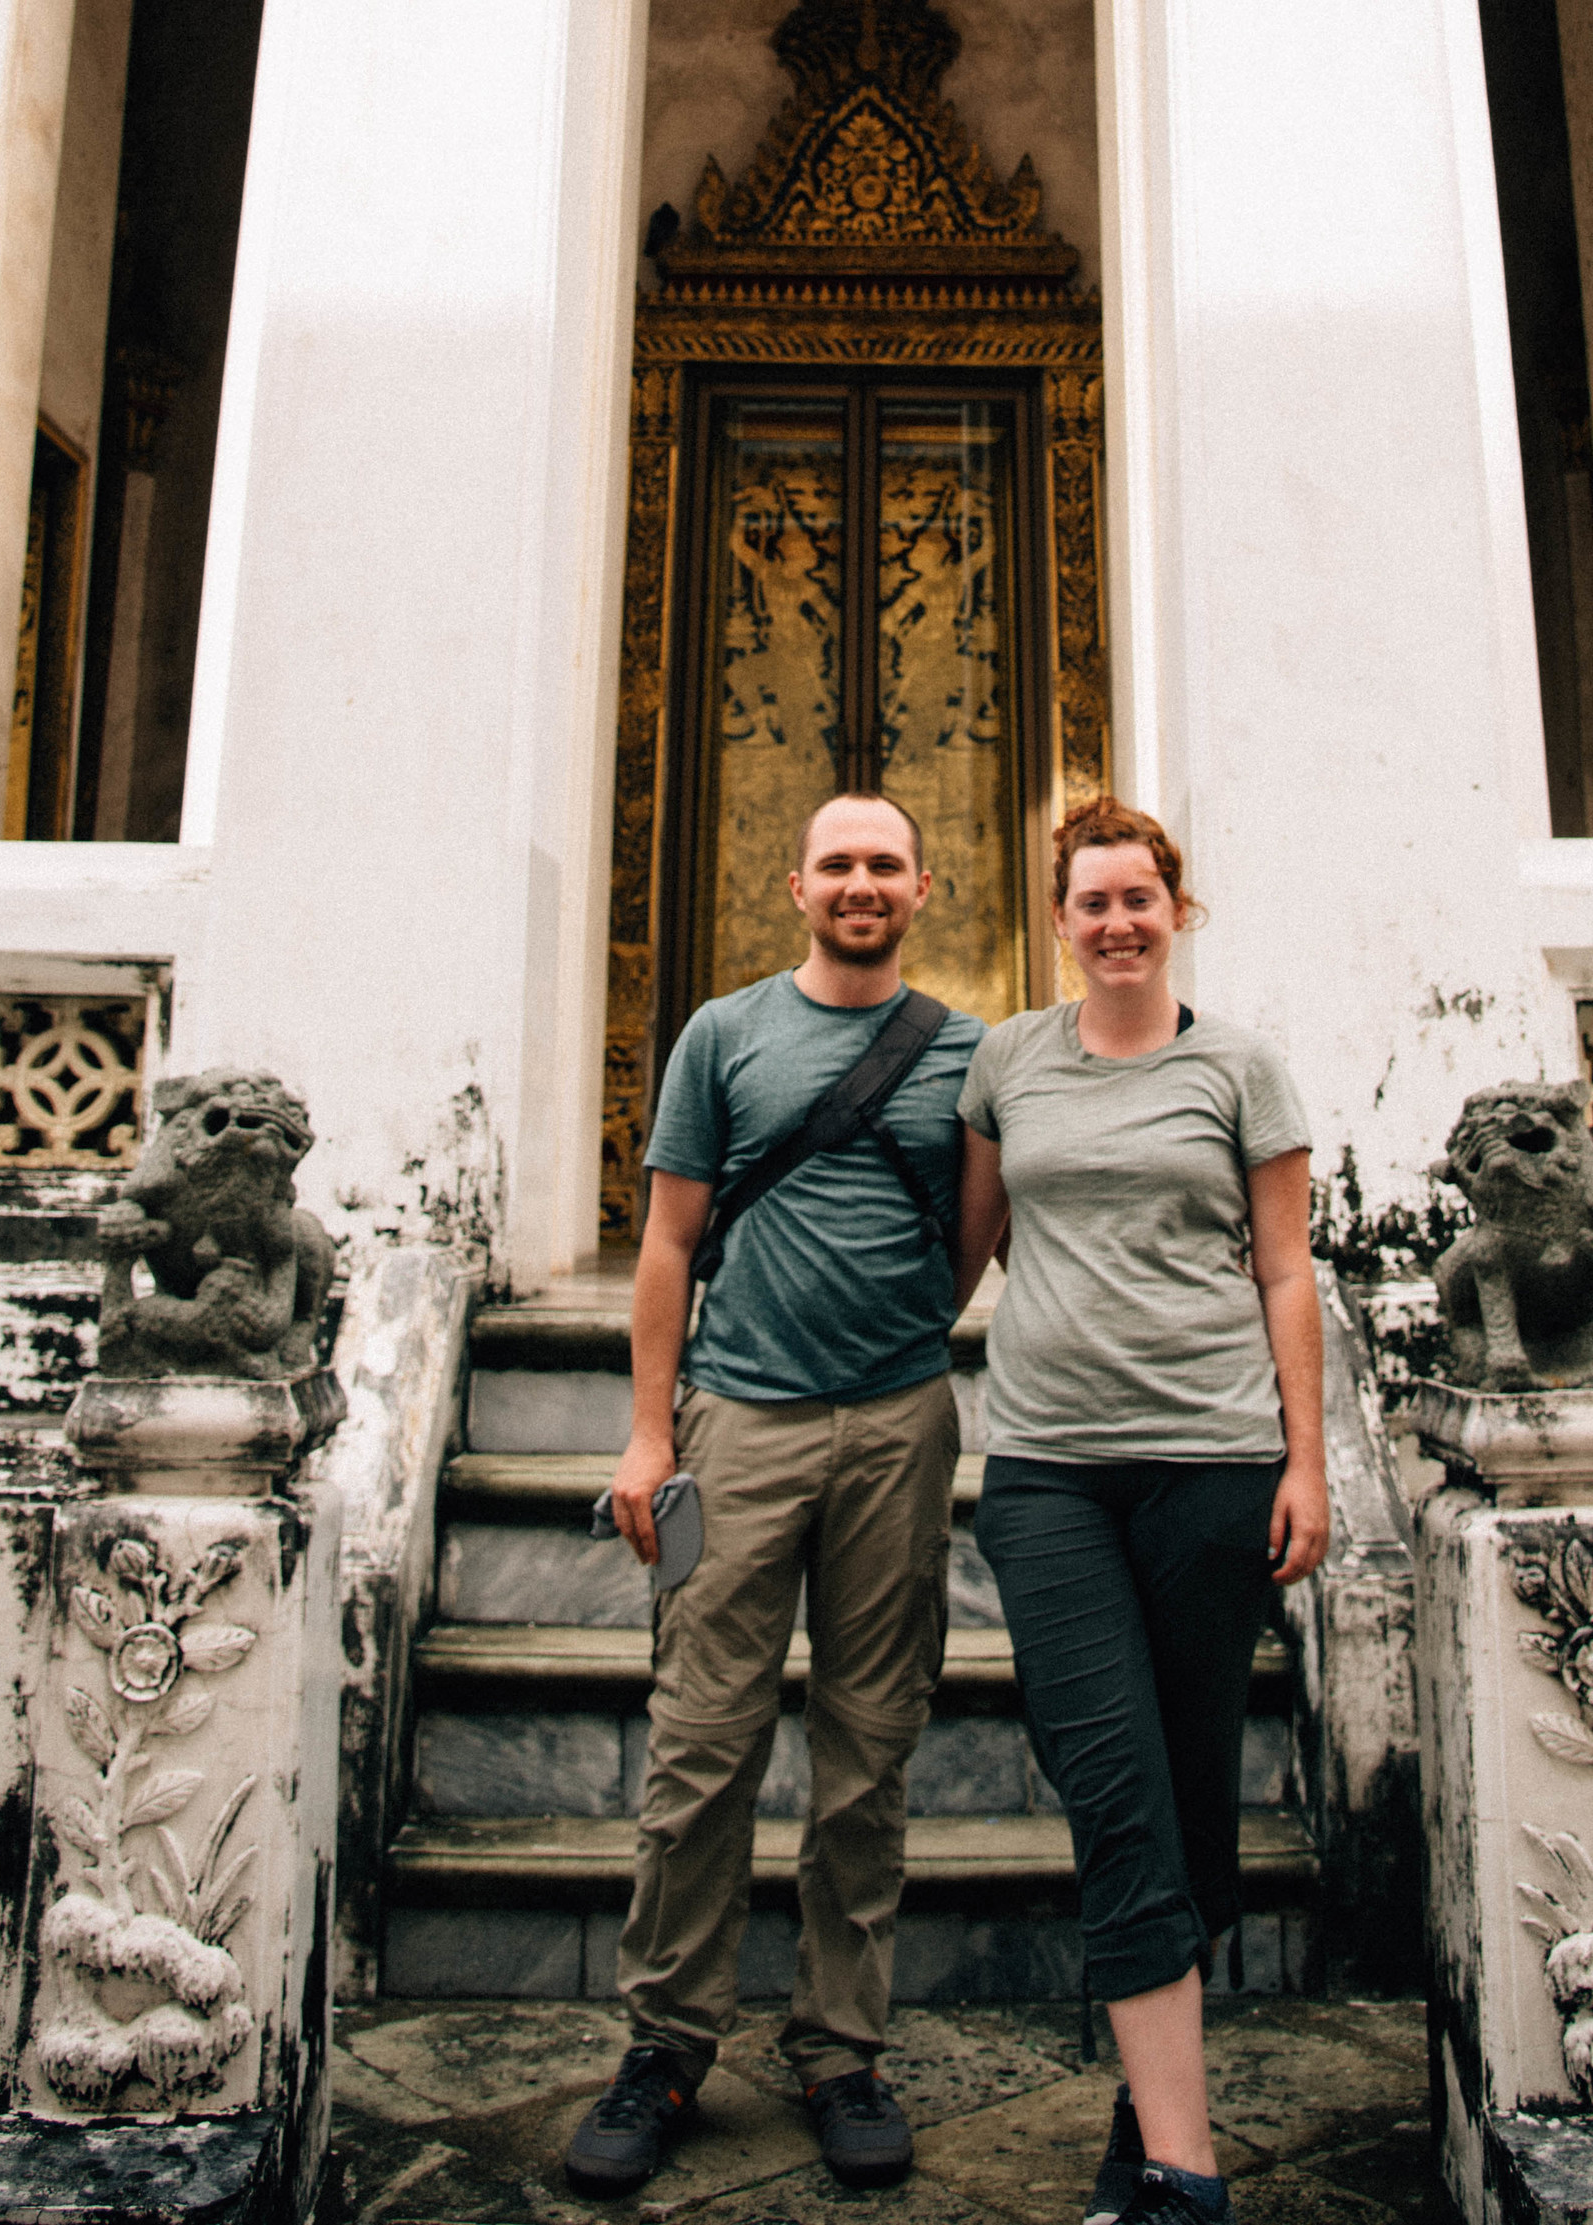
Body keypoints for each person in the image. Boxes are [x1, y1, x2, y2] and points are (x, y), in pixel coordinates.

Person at [563, 794, 983, 2200]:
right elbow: (670, 1241)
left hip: (897, 1428)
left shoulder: (966, 1055)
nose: (860, 884)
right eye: (837, 863)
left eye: (884, 864)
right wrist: (645, 1435)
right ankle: (668, 2040)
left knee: (872, 1741)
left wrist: (900, 1349)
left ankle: (840, 2044)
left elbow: (972, 1236)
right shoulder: (723, 1037)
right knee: (701, 1740)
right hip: (733, 1426)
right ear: (793, 881)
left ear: (923, 885)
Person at [952, 796, 1328, 2225]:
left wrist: (1309, 1460)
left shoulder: (1240, 1068)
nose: (1117, 919)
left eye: (1140, 896)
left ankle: (1144, 2101)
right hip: (1049, 1469)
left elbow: (1285, 1270)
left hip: (1215, 1463)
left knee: (1193, 1798)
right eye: (1091, 899)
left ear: (1180, 909)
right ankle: (1188, 2173)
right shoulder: (1009, 1064)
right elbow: (964, 1250)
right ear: (1059, 920)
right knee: (1113, 1787)